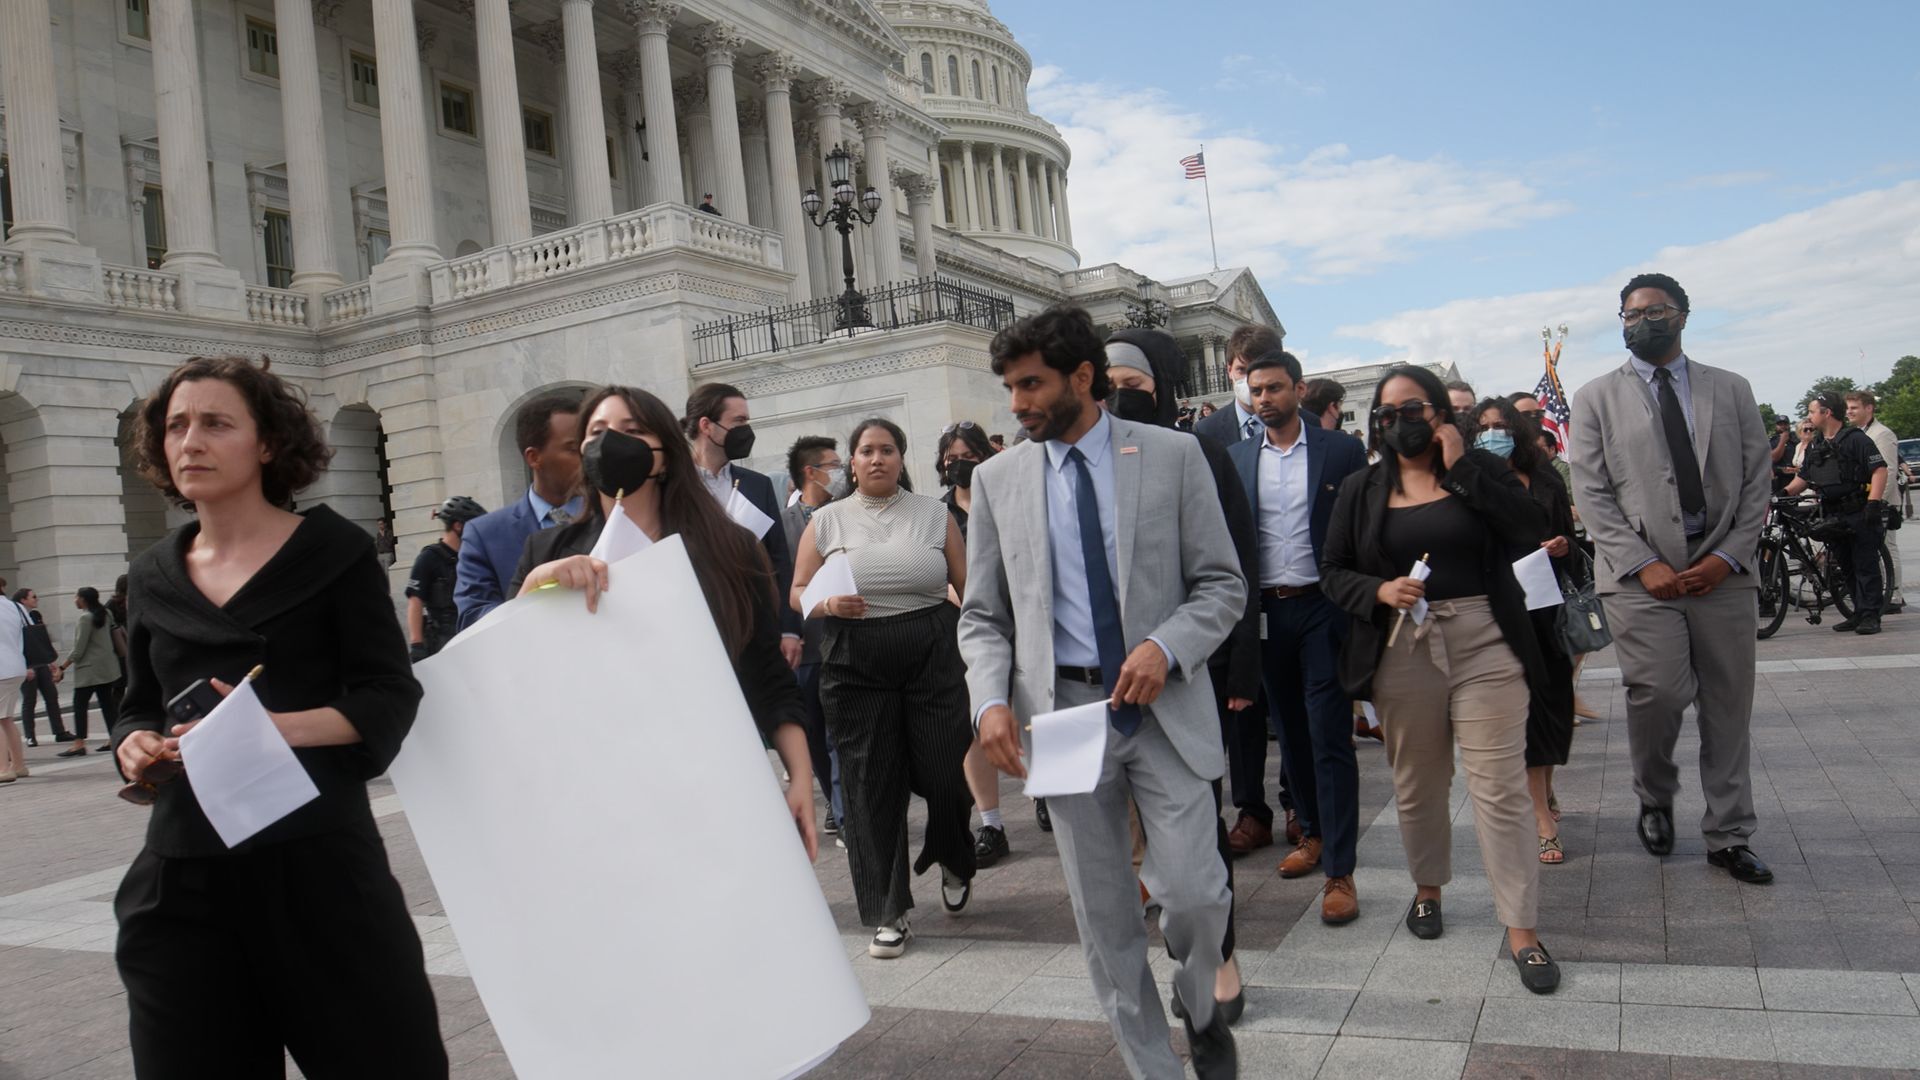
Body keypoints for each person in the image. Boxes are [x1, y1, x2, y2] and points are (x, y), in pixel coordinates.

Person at [111, 355, 445, 1075]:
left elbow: (389, 695)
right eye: (175, 426)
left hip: (320, 871)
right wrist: (132, 743)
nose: (189, 441)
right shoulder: (150, 573)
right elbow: (136, 701)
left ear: (267, 443)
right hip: (182, 881)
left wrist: (270, 729)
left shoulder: (336, 551)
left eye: (214, 423)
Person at [962, 306, 1245, 1078]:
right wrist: (989, 701)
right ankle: (1154, 1068)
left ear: (1082, 378)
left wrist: (1165, 646)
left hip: (1163, 709)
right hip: (1063, 721)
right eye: (1010, 386)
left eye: (1031, 384)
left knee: (1193, 894)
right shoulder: (997, 480)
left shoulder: (1173, 455)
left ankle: (1201, 1003)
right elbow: (983, 616)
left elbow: (1222, 585)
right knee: (1105, 921)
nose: (1016, 403)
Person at [1320, 364, 1561, 994]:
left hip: (1485, 638)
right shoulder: (1360, 488)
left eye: (1415, 408)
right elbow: (1333, 570)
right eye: (1389, 412)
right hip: (1403, 645)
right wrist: (1378, 589)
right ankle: (1428, 890)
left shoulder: (1476, 474)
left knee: (1499, 789)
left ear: (1439, 414)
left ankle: (1522, 929)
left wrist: (1461, 471)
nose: (1401, 421)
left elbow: (1529, 527)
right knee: (1418, 783)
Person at [512, 385, 818, 859]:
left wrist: (800, 776)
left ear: (664, 454)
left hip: (713, 778)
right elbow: (517, 671)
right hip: (601, 794)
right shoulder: (547, 553)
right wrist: (536, 586)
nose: (611, 442)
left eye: (631, 431)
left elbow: (768, 679)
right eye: (597, 432)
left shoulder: (731, 550)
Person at [1570, 272, 1774, 885]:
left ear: (1681, 316)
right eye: (1628, 315)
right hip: (1640, 580)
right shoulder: (1595, 397)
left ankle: (1729, 834)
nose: (1639, 323)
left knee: (1728, 706)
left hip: (1723, 573)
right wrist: (1642, 563)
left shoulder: (1730, 389)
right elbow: (1593, 491)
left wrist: (1730, 556)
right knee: (1656, 694)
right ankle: (1655, 794)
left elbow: (1758, 479)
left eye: (1652, 312)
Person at [1106, 324, 1261, 1019]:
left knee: (1198, 831)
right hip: (1102, 688)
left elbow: (1233, 572)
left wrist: (1238, 670)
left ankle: (1219, 961)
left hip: (1192, 670)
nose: (1118, 398)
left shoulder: (1196, 452)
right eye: (1106, 386)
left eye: (1133, 387)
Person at [790, 417, 973, 957]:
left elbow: (969, 586)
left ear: (901, 458)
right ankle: (887, 909)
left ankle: (956, 858)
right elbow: (798, 590)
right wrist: (825, 604)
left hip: (931, 650)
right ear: (851, 462)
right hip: (854, 659)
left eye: (887, 450)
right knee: (871, 785)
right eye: (866, 451)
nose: (877, 459)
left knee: (945, 770)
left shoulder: (935, 515)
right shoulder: (825, 521)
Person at [1228, 352, 1370, 923]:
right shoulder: (1237, 459)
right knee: (1288, 734)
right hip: (1265, 613)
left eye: (1274, 388)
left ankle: (1340, 869)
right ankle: (1309, 834)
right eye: (1255, 390)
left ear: (1299, 390)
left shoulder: (1340, 450)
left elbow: (1361, 527)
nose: (1264, 398)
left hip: (1323, 606)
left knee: (1329, 733)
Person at [1470, 398, 1577, 864]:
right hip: (1501, 612)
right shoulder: (1470, 483)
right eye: (1484, 427)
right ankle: (1540, 817)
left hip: (1547, 607)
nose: (1494, 433)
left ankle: (1546, 787)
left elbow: (1573, 543)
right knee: (1527, 711)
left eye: (1501, 426)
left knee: (1555, 703)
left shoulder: (1547, 479)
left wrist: (1561, 546)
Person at [937, 421, 1024, 863]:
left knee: (1029, 714)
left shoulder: (1007, 499)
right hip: (965, 628)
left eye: (967, 455)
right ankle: (991, 823)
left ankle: (1044, 791)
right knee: (976, 725)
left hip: (1019, 620)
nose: (959, 465)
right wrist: (960, 590)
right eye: (951, 457)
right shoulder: (938, 513)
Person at [685, 382, 801, 667]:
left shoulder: (757, 485)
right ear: (706, 426)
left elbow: (779, 560)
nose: (746, 430)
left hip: (756, 630)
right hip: (695, 627)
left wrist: (789, 629)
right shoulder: (674, 485)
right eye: (738, 422)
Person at [455, 392, 583, 629]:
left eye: (589, 445)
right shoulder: (485, 535)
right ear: (534, 457)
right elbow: (471, 619)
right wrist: (530, 593)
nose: (586, 457)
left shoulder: (614, 516)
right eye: (573, 448)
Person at [783, 435, 847, 841]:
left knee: (840, 735)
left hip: (845, 642)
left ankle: (847, 817)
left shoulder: (847, 514)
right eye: (834, 466)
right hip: (805, 647)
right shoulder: (781, 524)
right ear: (812, 472)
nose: (841, 473)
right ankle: (833, 802)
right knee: (815, 738)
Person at [1786, 391, 1888, 634]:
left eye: (1812, 411)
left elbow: (1879, 469)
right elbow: (1803, 478)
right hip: (1834, 515)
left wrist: (1873, 503)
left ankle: (1871, 616)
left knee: (1865, 565)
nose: (1809, 417)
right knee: (1846, 567)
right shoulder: (1818, 445)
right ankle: (1857, 613)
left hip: (1859, 511)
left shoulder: (1856, 439)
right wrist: (1782, 493)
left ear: (1827, 413)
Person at [406, 496, 486, 661]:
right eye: (474, 525)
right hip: (441, 642)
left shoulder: (473, 557)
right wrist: (417, 645)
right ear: (458, 526)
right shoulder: (429, 558)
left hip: (471, 636)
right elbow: (415, 601)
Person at [1846, 390, 1905, 613]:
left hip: (1883, 501)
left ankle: (1895, 595)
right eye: (1848, 408)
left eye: (1854, 408)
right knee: (1874, 550)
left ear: (1869, 408)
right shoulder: (1857, 433)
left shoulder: (1882, 434)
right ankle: (1883, 592)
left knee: (1888, 547)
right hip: (1868, 499)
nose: (1849, 412)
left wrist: (1877, 501)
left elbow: (1887, 471)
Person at [55, 586, 122, 757]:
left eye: (76, 596)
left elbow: (79, 649)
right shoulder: (106, 613)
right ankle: (115, 737)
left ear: (83, 599)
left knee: (80, 705)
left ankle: (79, 743)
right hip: (107, 667)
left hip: (89, 670)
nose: (74, 599)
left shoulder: (86, 618)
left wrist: (62, 667)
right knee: (107, 704)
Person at [1195, 323, 1283, 447]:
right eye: (1242, 370)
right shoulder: (1206, 430)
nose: (1251, 380)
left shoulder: (1307, 423)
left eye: (1260, 369)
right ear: (1229, 370)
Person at [12, 587, 70, 748]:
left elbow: (42, 639)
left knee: (52, 696)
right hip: (27, 665)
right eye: (33, 597)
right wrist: (23, 666)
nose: (36, 599)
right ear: (23, 600)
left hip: (42, 663)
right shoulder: (14, 617)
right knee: (29, 701)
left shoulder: (36, 616)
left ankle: (59, 732)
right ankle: (30, 736)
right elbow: (14, 644)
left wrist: (50, 659)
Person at [0, 587, 29, 783]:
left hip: (1, 669)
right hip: (17, 665)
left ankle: (3, 769)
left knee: (2, 719)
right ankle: (18, 765)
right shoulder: (16, 606)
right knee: (6, 719)